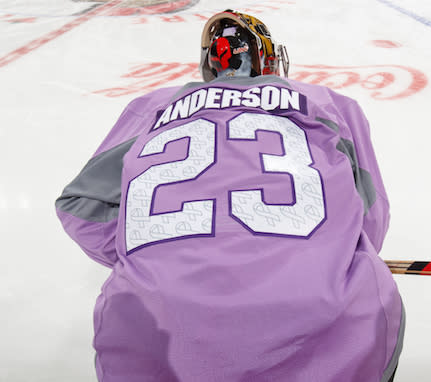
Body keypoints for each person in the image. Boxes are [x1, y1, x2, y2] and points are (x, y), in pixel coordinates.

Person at [55, 9, 404, 382]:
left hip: (151, 342)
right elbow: (371, 222)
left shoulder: (153, 107)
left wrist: (152, 245)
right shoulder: (328, 103)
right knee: (369, 308)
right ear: (268, 58)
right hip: (334, 337)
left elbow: (80, 207)